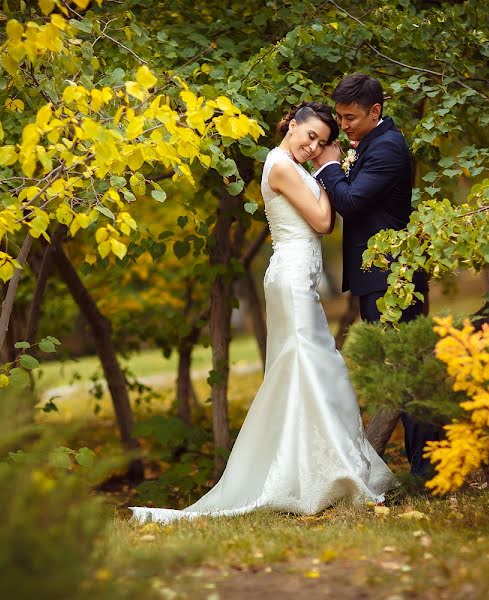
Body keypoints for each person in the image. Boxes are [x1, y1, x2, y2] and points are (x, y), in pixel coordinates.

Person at [130, 102, 398, 524]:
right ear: (292, 125)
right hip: (291, 281)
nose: (314, 147)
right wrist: (332, 171)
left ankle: (315, 472)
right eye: (310, 136)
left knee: (308, 371)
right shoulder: (280, 165)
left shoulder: (296, 166)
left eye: (323, 143)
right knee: (310, 367)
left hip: (298, 280)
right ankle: (326, 474)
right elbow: (324, 221)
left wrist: (325, 172)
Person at [313, 73, 440, 478]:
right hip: (381, 278)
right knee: (399, 370)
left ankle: (429, 469)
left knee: (407, 372)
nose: (343, 125)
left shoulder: (387, 148)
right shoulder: (369, 143)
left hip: (392, 280)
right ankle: (426, 466)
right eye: (340, 116)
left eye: (350, 117)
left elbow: (349, 202)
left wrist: (330, 166)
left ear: (376, 112)